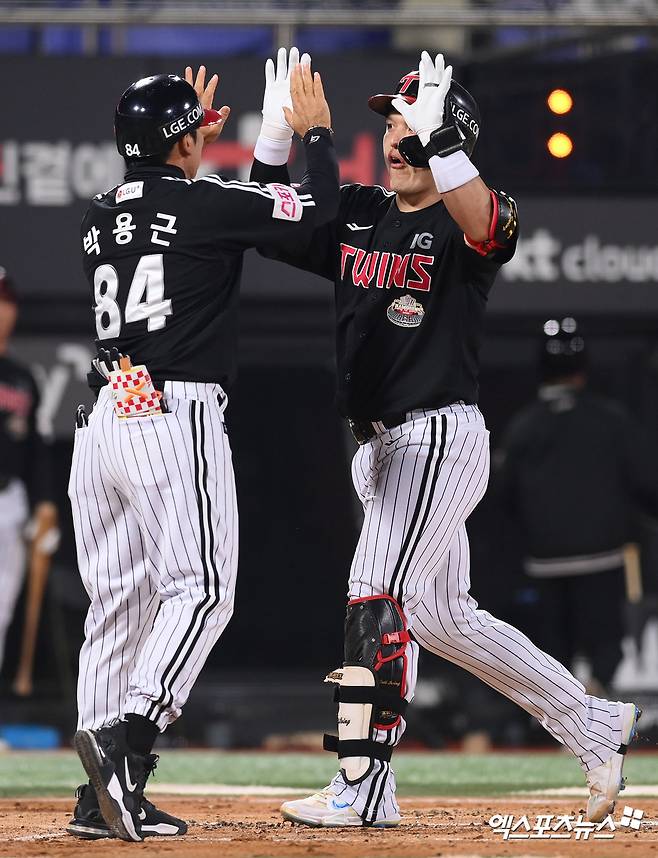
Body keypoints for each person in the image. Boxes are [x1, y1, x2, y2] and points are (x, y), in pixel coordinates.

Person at [251, 51, 640, 828]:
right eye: (390, 127)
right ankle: (592, 723)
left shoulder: (465, 218)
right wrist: (274, 139)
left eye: (406, 127)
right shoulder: (361, 209)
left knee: (376, 594)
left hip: (436, 437)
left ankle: (363, 787)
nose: (393, 141)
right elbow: (268, 225)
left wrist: (444, 144)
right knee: (441, 618)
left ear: (443, 136)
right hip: (379, 450)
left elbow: (490, 225)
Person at [67, 57, 338, 842]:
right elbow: (314, 216)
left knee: (118, 603)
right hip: (169, 411)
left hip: (106, 416)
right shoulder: (205, 204)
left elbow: (185, 208)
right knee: (203, 589)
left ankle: (97, 798)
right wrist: (308, 132)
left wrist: (189, 144)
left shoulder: (96, 212)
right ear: (182, 141)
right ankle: (127, 743)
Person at [496, 317, 658, 694]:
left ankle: (561, 723)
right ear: (584, 369)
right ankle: (596, 717)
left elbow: (503, 497)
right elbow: (647, 483)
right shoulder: (611, 421)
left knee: (552, 659)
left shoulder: (523, 427)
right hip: (603, 559)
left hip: (545, 562)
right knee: (604, 651)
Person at [0, 269, 57, 681]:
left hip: (8, 499)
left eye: (5, 300)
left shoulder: (22, 377)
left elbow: (37, 448)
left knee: (0, 608)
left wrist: (44, 503)